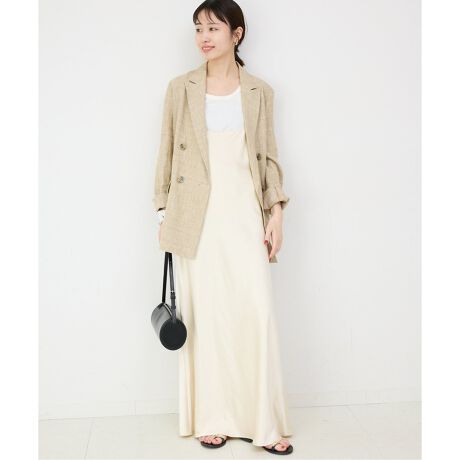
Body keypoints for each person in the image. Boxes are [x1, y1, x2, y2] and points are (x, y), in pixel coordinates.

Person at [153, 0, 293, 455]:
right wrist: (163, 214)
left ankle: (263, 423)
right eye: (198, 28)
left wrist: (276, 214)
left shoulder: (259, 92)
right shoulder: (180, 88)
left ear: (237, 34)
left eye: (213, 28)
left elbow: (268, 159)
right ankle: (213, 418)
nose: (204, 37)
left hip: (244, 213)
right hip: (196, 217)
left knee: (256, 311)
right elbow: (165, 155)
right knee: (208, 316)